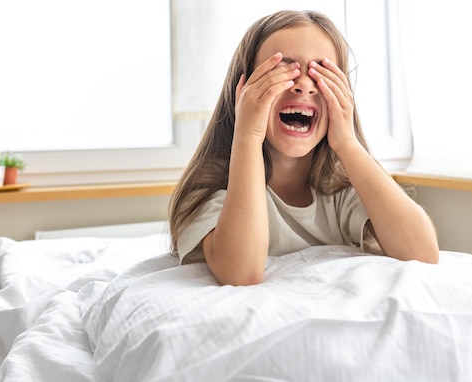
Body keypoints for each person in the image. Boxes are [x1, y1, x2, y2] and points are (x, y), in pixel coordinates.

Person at [168, 10, 439, 286]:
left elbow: (423, 253)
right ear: (243, 91)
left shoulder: (340, 191)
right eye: (282, 71)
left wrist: (348, 143)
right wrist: (248, 132)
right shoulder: (209, 191)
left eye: (321, 73)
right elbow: (241, 273)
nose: (304, 86)